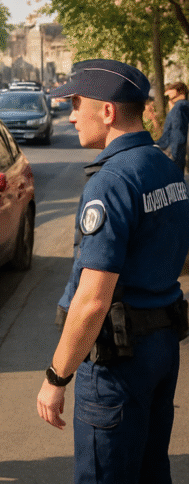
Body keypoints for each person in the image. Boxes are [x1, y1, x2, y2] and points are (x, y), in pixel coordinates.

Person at [38, 59, 189, 483]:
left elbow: (92, 302)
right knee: (150, 469)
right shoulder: (164, 166)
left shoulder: (111, 181)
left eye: (75, 103)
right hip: (161, 346)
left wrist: (56, 376)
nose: (69, 115)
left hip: (117, 363)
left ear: (106, 111)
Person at [156, 81, 188, 174]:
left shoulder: (179, 106)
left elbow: (177, 133)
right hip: (175, 152)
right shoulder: (180, 107)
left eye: (170, 96)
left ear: (181, 92)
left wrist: (174, 157)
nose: (168, 98)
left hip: (172, 152)